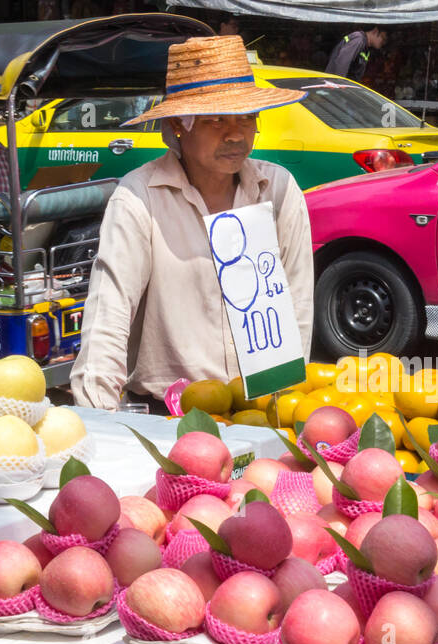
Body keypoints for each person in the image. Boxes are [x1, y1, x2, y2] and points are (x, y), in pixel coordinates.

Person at [70, 36, 314, 412]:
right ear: (178, 126)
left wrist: (286, 406)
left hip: (263, 411)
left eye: (247, 118)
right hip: (167, 416)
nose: (235, 134)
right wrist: (98, 417)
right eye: (216, 119)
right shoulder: (140, 197)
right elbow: (110, 311)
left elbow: (297, 303)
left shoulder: (278, 190)